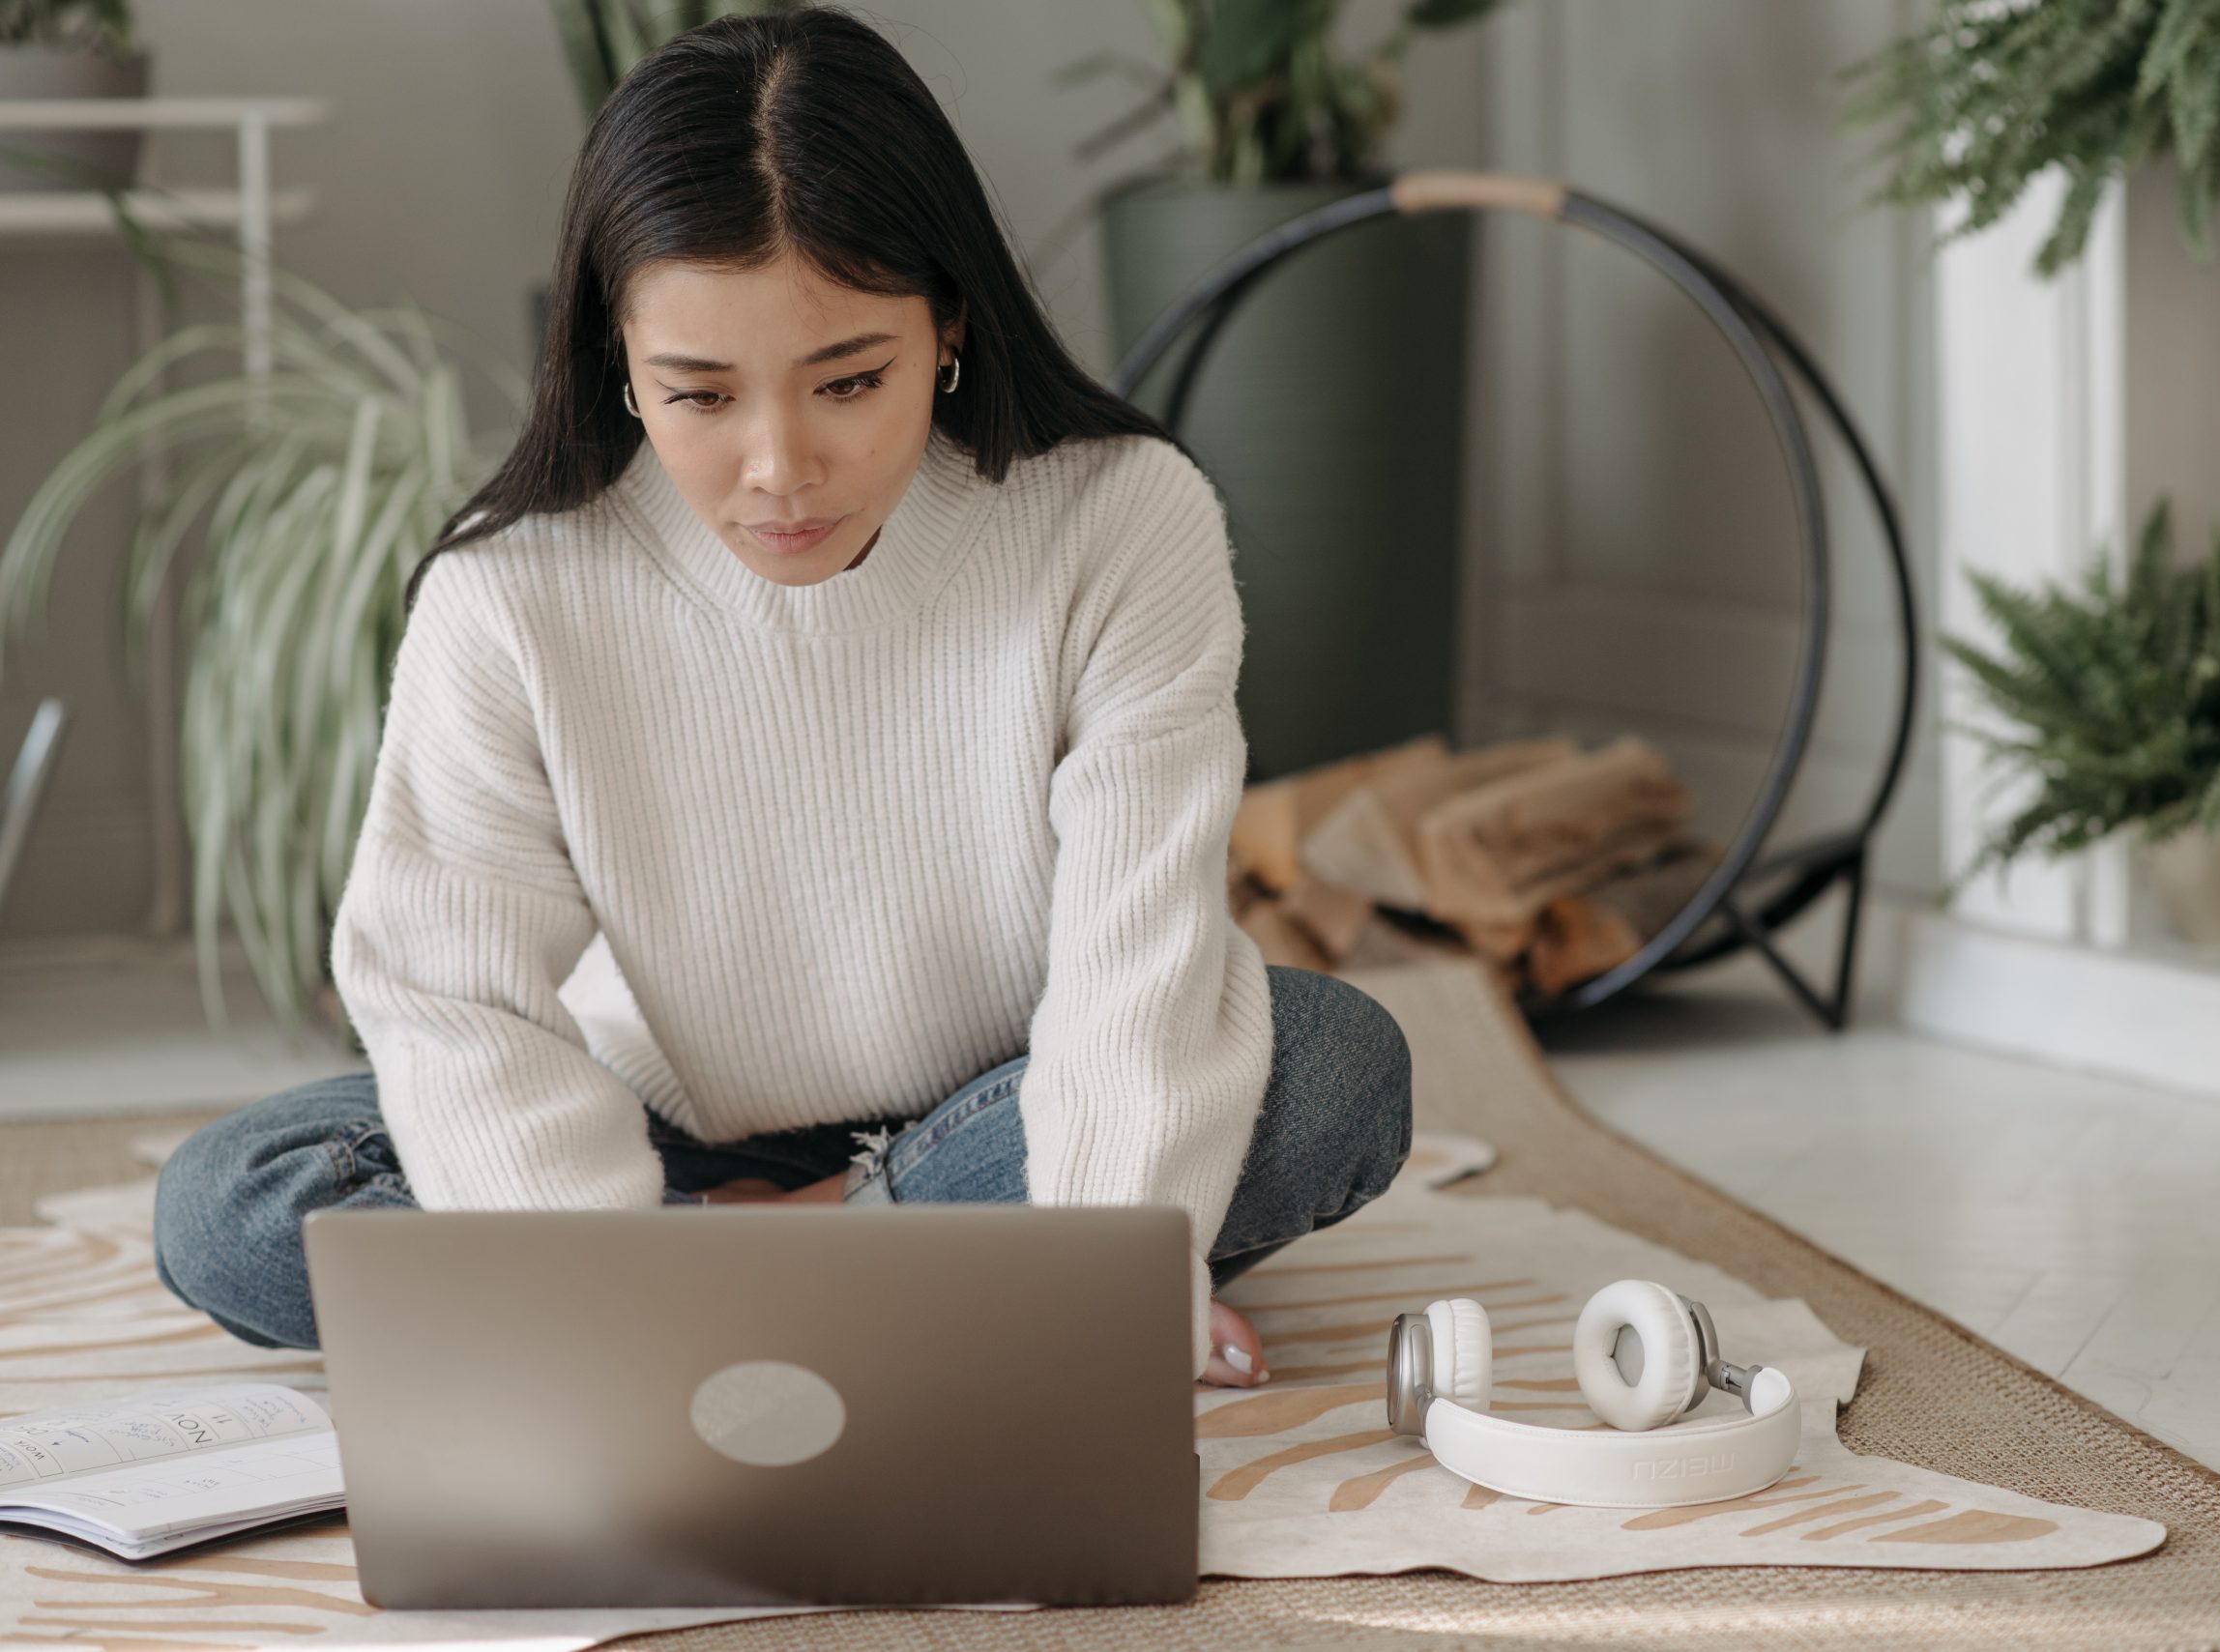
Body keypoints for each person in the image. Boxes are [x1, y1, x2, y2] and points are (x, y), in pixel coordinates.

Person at [151, 5, 1414, 1391]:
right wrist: (622, 1252)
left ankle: (816, 1260)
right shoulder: (511, 596)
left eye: (851, 380)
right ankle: (883, 1275)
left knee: (1332, 1068)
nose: (778, 467)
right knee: (229, 1200)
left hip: (1005, 1101)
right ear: (617, 363)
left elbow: (1139, 957)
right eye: (700, 394)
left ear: (948, 325)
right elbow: (455, 1000)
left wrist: (1106, 1276)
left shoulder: (1122, 521)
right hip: (673, 1128)